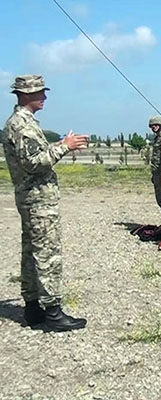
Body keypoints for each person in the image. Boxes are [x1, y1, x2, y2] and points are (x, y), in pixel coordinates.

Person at [1, 74, 88, 331]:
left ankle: (33, 308)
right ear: (26, 94)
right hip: (38, 200)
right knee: (47, 254)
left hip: (32, 198)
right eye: (40, 92)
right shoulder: (22, 125)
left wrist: (61, 144)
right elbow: (34, 163)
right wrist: (64, 147)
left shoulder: (21, 122)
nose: (44, 97)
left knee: (31, 252)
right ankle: (53, 312)